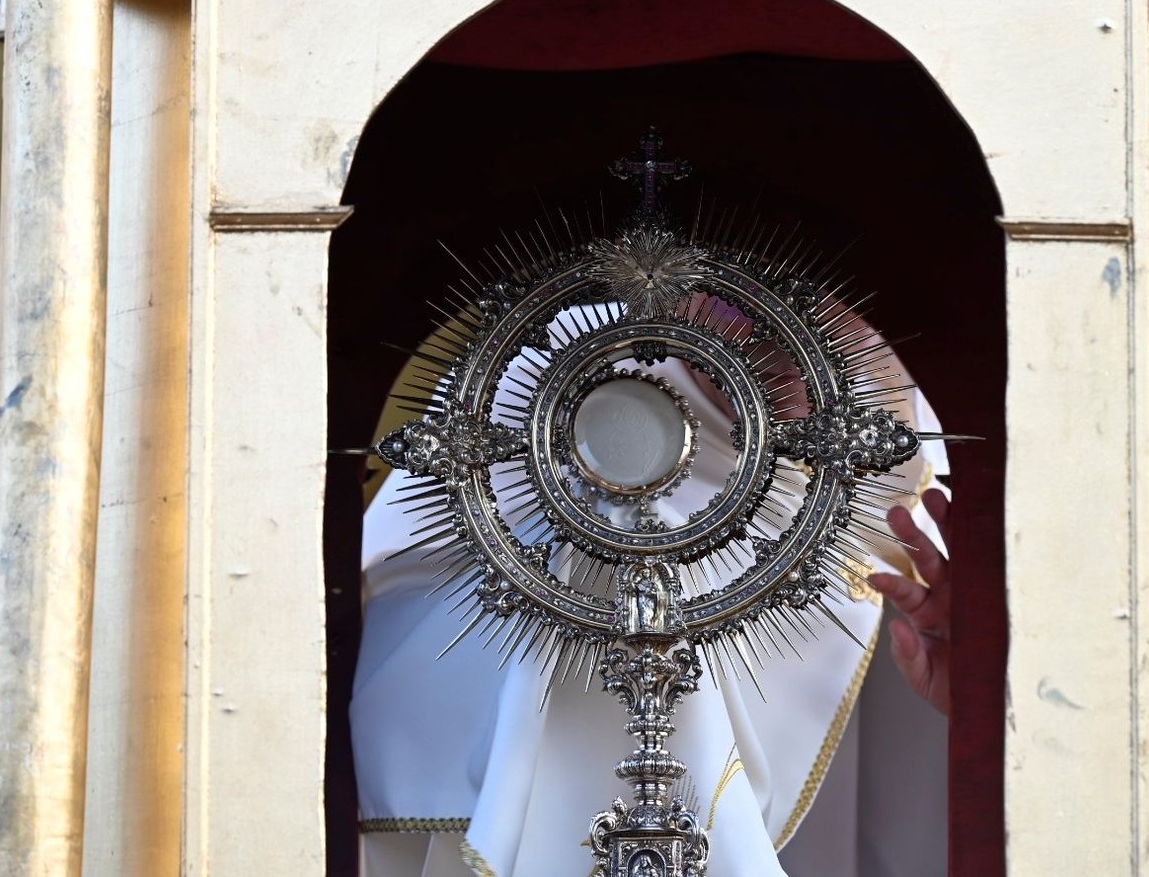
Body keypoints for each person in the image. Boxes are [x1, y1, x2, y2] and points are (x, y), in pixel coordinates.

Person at [353, 311, 952, 875]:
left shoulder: (918, 483)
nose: (784, 324)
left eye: (839, 294)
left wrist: (978, 689)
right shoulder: (553, 375)